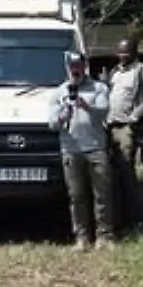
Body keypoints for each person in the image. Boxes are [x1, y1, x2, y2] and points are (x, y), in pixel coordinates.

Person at [48, 51, 114, 251]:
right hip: (71, 149)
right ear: (67, 68)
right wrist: (63, 115)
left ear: (84, 66)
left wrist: (87, 106)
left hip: (95, 147)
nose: (75, 69)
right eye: (72, 66)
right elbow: (52, 124)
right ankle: (82, 238)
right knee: (77, 196)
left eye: (78, 65)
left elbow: (104, 111)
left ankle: (105, 237)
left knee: (102, 194)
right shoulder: (58, 92)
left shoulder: (99, 88)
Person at [107, 38, 143, 234]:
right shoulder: (115, 72)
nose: (122, 56)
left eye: (126, 52)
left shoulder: (142, 71)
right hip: (110, 125)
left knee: (126, 172)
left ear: (134, 53)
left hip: (127, 127)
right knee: (112, 175)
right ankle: (118, 218)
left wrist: (137, 114)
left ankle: (135, 219)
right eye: (120, 52)